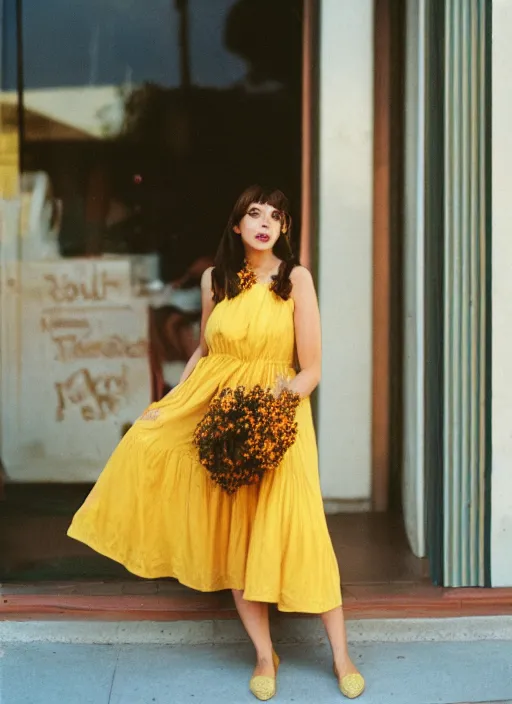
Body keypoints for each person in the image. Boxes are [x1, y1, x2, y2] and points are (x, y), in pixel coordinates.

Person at [67, 185, 365, 700]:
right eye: (254, 214)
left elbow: (312, 367)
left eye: (276, 216)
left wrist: (277, 402)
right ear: (237, 225)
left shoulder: (296, 280)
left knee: (302, 529)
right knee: (234, 537)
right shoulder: (214, 280)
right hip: (219, 417)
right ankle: (263, 655)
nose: (265, 223)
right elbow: (204, 351)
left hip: (280, 418)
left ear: (285, 229)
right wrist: (171, 402)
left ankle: (341, 655)